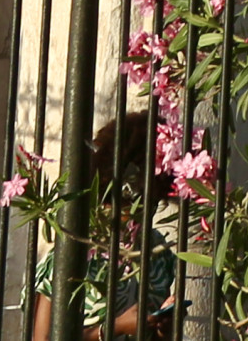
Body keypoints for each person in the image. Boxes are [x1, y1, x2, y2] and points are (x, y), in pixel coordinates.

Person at [24, 111, 179, 341]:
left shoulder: (158, 252)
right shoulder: (76, 251)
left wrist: (161, 328)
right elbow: (43, 338)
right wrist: (111, 329)